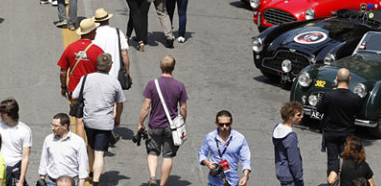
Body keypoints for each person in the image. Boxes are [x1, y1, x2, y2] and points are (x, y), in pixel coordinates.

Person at [72, 51, 125, 186]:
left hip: (89, 120)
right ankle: (96, 181)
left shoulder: (86, 78)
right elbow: (120, 103)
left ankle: (90, 171)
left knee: (90, 147)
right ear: (109, 66)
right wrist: (117, 118)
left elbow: (74, 95)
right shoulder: (114, 82)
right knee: (100, 153)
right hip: (105, 122)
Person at [137, 56, 188, 186]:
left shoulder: (152, 84)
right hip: (171, 127)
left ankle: (153, 178)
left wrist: (140, 123)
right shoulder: (179, 86)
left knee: (153, 152)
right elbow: (183, 107)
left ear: (160, 67)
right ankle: (162, 184)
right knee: (168, 156)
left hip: (155, 124)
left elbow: (146, 106)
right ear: (173, 67)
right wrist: (182, 122)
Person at [317, 68, 363, 174]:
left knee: (332, 161)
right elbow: (360, 113)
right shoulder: (355, 98)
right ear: (349, 79)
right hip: (347, 134)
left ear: (337, 79)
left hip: (331, 133)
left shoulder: (328, 95)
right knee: (348, 162)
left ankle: (332, 181)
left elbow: (319, 109)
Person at [198, 110, 252, 186]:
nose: (224, 127)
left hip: (232, 181)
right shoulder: (210, 137)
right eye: (221, 124)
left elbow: (246, 159)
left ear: (231, 123)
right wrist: (207, 163)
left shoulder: (239, 138)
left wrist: (245, 176)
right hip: (214, 182)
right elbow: (202, 153)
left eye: (227, 124)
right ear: (216, 123)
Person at [38, 113, 89, 186]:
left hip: (70, 183)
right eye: (52, 125)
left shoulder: (78, 142)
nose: (52, 128)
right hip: (51, 182)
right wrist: (42, 179)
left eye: (56, 126)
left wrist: (81, 183)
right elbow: (44, 160)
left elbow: (83, 165)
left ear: (65, 126)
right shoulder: (48, 139)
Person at [0, 99, 32, 186]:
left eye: (2, 112)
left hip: (15, 169)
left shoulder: (25, 131)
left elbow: (25, 157)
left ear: (9, 114)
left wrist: (21, 181)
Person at [93, 7, 130, 87]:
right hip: (115, 76)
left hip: (98, 76)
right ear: (108, 20)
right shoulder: (117, 32)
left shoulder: (93, 35)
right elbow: (124, 54)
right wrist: (127, 71)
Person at [272, 101, 304, 186]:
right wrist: (299, 179)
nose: (301, 117)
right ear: (290, 116)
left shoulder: (277, 129)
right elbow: (293, 161)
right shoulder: (290, 137)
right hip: (291, 178)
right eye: (298, 115)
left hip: (282, 174)